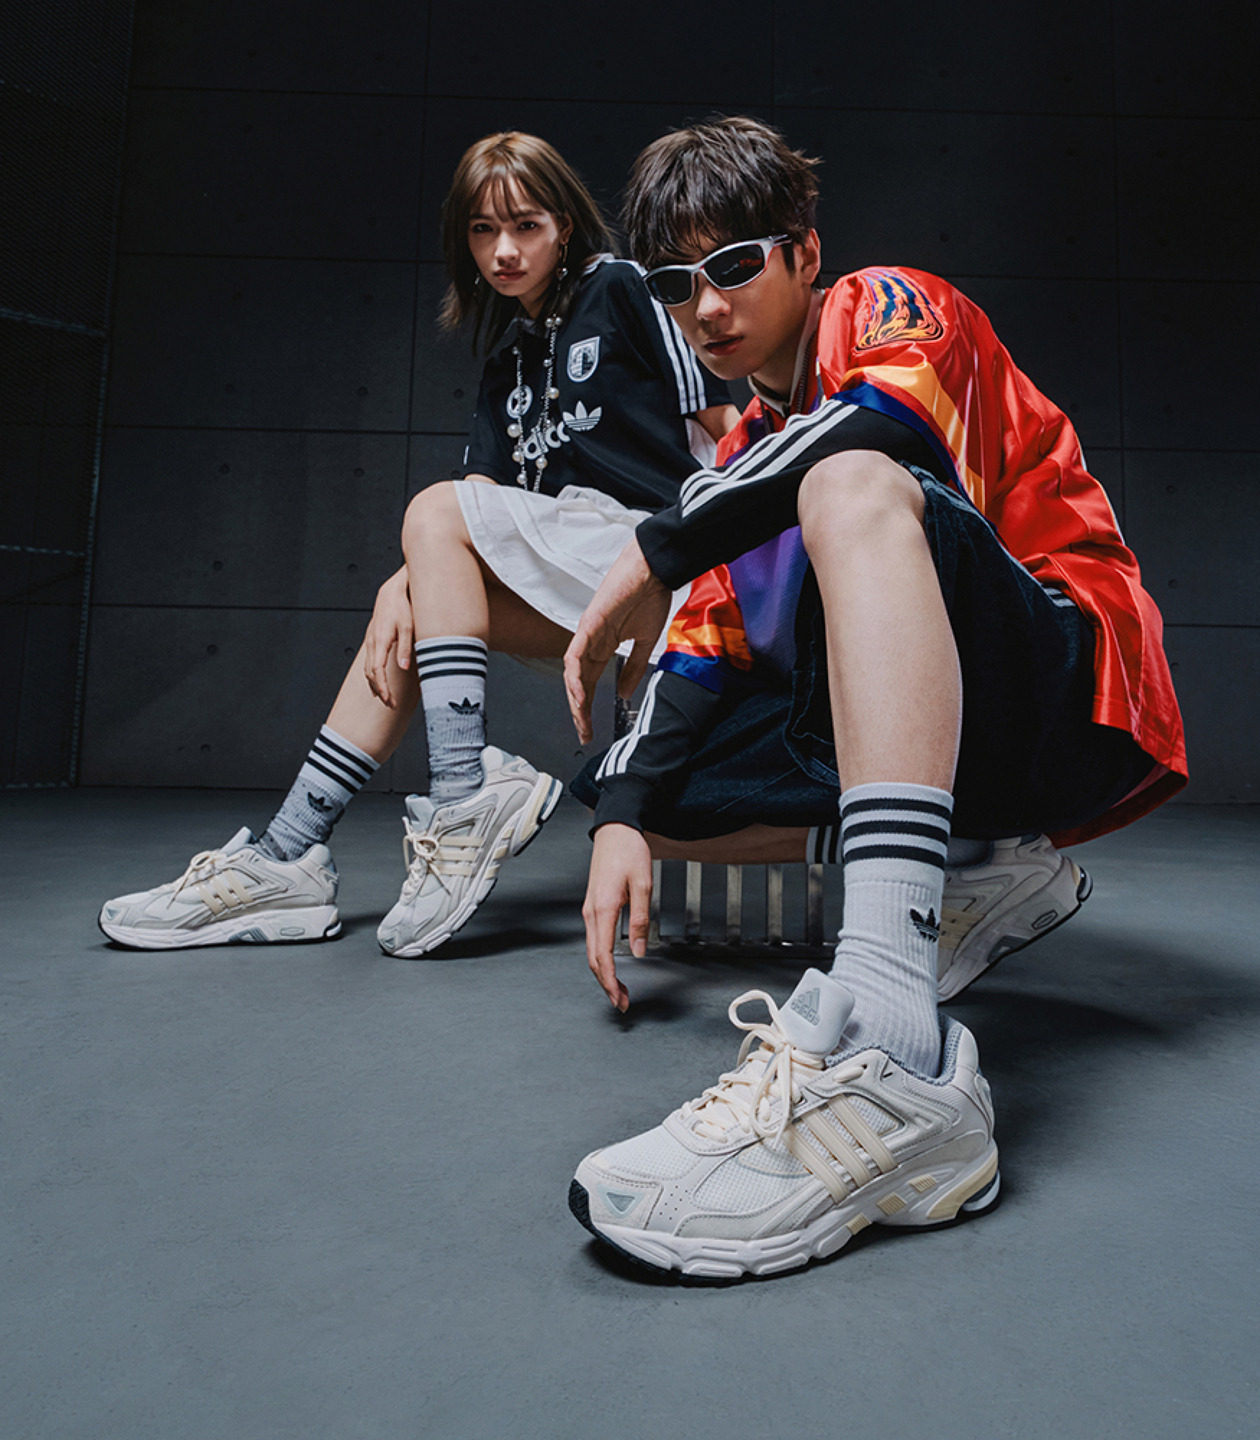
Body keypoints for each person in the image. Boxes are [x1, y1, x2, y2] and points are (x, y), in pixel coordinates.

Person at [560, 117, 1186, 1278]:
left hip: (1064, 685)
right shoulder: (744, 453)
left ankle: (896, 1037)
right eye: (677, 285)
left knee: (847, 477)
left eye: (733, 266)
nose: (708, 307)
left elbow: (880, 426)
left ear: (804, 254)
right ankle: (978, 867)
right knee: (644, 785)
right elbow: (700, 647)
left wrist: (658, 539)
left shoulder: (887, 304)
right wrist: (622, 817)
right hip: (945, 735)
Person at [98, 132, 734, 958]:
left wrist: (745, 577)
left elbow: (727, 429)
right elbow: (478, 516)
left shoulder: (621, 289)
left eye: (526, 226)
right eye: (482, 231)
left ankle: (463, 795)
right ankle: (288, 854)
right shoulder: (506, 360)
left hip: (665, 561)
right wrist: (399, 587)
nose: (503, 251)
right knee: (403, 615)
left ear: (566, 228)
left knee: (433, 520)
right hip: (582, 581)